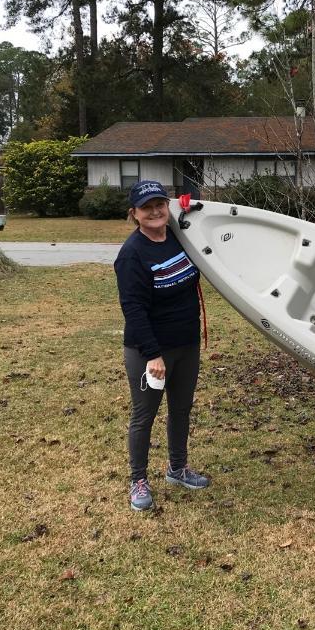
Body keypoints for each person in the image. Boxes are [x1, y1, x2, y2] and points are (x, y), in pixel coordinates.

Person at [114, 180, 210, 511]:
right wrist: (153, 355)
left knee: (181, 409)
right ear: (134, 214)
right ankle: (137, 480)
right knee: (145, 415)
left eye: (160, 205)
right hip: (150, 350)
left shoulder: (180, 238)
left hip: (187, 342)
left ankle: (177, 468)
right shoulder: (132, 255)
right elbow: (134, 311)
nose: (155, 212)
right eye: (147, 207)